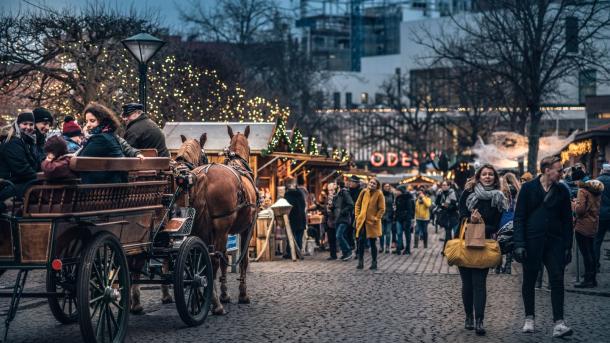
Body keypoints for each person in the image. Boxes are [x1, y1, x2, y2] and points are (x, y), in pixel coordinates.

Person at [513, 155, 574, 338]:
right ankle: (529, 318)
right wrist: (519, 244)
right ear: (547, 170)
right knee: (529, 280)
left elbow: (567, 221)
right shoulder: (528, 188)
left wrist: (567, 246)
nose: (562, 173)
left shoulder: (562, 191)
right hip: (532, 242)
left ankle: (559, 323)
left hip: (555, 242)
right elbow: (519, 218)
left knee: (557, 279)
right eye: (559, 169)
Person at [458, 164, 507, 336]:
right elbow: (461, 214)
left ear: (495, 178)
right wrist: (469, 218)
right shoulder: (468, 193)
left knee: (479, 284)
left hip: (484, 243)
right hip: (465, 243)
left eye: (490, 174)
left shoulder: (499, 197)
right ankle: (468, 317)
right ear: (478, 177)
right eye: (484, 174)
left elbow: (497, 224)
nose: (487, 177)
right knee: (467, 284)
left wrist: (481, 223)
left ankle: (479, 320)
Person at [78, 102, 127, 184]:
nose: (88, 125)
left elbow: (79, 161)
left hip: (102, 191)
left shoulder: (100, 139)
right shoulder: (110, 136)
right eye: (87, 121)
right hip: (115, 188)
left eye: (92, 121)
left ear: (102, 121)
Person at [0, 112, 40, 201]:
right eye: (24, 124)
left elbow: (36, 163)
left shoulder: (28, 142)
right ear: (18, 125)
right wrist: (41, 178)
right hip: (9, 186)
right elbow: (22, 169)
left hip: (20, 183)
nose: (28, 127)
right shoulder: (13, 142)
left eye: (31, 124)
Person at [573, 179, 604, 288]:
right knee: (591, 251)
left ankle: (588, 280)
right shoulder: (596, 192)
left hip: (583, 226)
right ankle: (593, 278)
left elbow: (580, 210)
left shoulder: (582, 192)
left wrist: (574, 205)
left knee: (586, 254)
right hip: (593, 224)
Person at [354, 178, 385, 270]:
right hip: (362, 221)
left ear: (377, 185)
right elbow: (357, 204)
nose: (372, 184)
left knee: (372, 243)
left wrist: (376, 218)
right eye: (371, 182)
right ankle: (360, 262)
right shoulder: (364, 192)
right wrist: (357, 216)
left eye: (374, 183)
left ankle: (374, 262)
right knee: (360, 242)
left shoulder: (379, 194)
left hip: (372, 223)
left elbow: (382, 209)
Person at [497, 172, 521, 274]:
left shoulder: (502, 191)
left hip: (503, 217)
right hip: (513, 218)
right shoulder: (519, 191)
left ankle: (498, 265)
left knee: (499, 241)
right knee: (510, 241)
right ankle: (507, 266)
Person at [284, 177, 307, 259]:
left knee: (292, 236)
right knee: (299, 236)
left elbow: (286, 207)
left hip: (292, 218)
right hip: (301, 217)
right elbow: (304, 205)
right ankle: (298, 253)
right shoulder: (300, 193)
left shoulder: (287, 195)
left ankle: (291, 253)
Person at [332, 179, 355, 260]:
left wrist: (342, 212)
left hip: (344, 218)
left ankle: (348, 251)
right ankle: (345, 253)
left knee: (339, 235)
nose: (333, 186)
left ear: (338, 185)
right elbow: (337, 205)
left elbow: (351, 204)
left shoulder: (344, 192)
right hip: (338, 218)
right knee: (341, 235)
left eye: (334, 184)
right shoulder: (337, 194)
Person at [436, 181, 459, 255]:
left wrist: (447, 206)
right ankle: (446, 251)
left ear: (449, 186)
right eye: (442, 185)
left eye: (445, 185)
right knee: (448, 235)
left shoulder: (453, 193)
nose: (443, 186)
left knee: (456, 234)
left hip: (454, 217)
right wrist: (439, 195)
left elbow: (456, 206)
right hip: (446, 217)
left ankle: (453, 251)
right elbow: (437, 203)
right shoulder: (441, 193)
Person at [595, 163, 610, 273]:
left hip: (600, 214)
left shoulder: (596, 182)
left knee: (597, 241)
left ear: (602, 170)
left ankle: (595, 266)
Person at [394, 185, 415, 255]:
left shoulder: (408, 198)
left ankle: (407, 249)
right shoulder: (397, 198)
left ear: (401, 191)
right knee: (399, 233)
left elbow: (410, 210)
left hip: (406, 219)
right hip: (398, 218)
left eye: (398, 190)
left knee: (407, 234)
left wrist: (410, 219)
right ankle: (399, 247)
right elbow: (397, 208)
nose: (396, 192)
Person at [347, 175, 363, 250]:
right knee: (348, 231)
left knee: (358, 232)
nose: (350, 183)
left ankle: (358, 250)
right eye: (349, 181)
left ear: (356, 183)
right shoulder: (347, 191)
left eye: (351, 182)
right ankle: (352, 245)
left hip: (358, 214)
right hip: (349, 214)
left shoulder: (361, 192)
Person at [380, 183, 395, 253]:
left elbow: (393, 204)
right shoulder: (380, 194)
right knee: (381, 232)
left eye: (388, 186)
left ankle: (387, 247)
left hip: (389, 215)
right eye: (385, 186)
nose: (387, 187)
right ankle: (381, 246)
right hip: (381, 216)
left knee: (388, 232)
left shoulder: (391, 194)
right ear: (383, 187)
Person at [324, 182, 338, 260]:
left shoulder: (337, 198)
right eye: (329, 190)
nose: (331, 192)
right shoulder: (327, 198)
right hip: (328, 220)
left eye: (332, 190)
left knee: (336, 238)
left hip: (335, 220)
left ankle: (344, 252)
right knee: (330, 238)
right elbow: (325, 209)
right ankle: (333, 255)